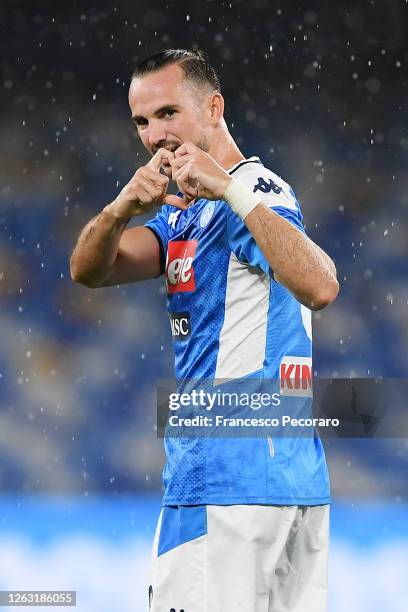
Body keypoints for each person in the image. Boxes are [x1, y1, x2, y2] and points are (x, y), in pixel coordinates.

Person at [70, 49, 339, 612]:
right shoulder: (186, 213)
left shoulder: (250, 190)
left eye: (168, 113)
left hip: (223, 482)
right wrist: (121, 208)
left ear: (213, 108)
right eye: (142, 121)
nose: (154, 135)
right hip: (286, 483)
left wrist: (231, 190)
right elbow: (90, 270)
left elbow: (321, 285)